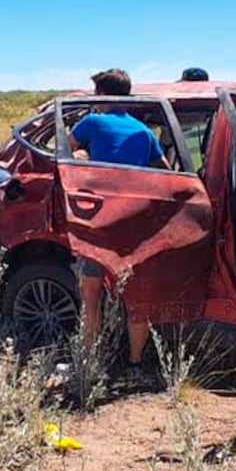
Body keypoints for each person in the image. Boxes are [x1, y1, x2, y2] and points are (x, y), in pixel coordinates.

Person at [68, 68, 169, 379]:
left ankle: (89, 360)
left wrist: (85, 156)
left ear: (103, 94)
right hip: (135, 224)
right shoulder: (144, 132)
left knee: (91, 294)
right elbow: (166, 172)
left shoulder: (92, 122)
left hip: (100, 223)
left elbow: (67, 151)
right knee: (137, 297)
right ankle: (135, 363)